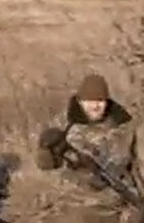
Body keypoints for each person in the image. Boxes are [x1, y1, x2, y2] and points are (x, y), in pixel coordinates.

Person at [36, 74, 144, 222]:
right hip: (78, 203)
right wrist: (45, 151)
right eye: (89, 101)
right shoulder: (64, 125)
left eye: (100, 101)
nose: (95, 106)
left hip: (120, 202)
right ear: (80, 101)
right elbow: (46, 166)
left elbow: (137, 164)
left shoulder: (124, 126)